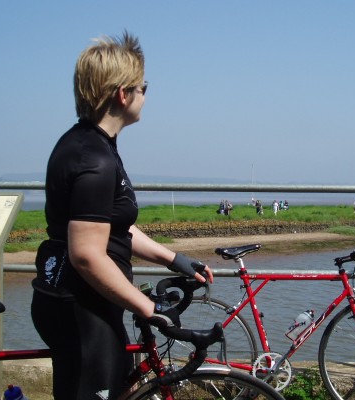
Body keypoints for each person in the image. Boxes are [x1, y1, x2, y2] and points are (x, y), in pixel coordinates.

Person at [30, 32, 213, 400]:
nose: (147, 95)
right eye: (143, 87)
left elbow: (116, 225)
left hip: (87, 299)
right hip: (79, 306)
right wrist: (148, 307)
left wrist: (173, 258)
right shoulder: (93, 159)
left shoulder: (94, 144)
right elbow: (86, 254)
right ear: (123, 94)